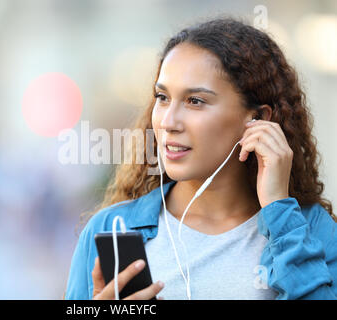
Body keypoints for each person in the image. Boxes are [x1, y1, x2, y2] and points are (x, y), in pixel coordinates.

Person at [65, 17, 337, 300]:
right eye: (162, 97)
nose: (168, 122)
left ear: (257, 119)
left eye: (195, 101)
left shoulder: (310, 230)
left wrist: (280, 213)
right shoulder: (112, 230)